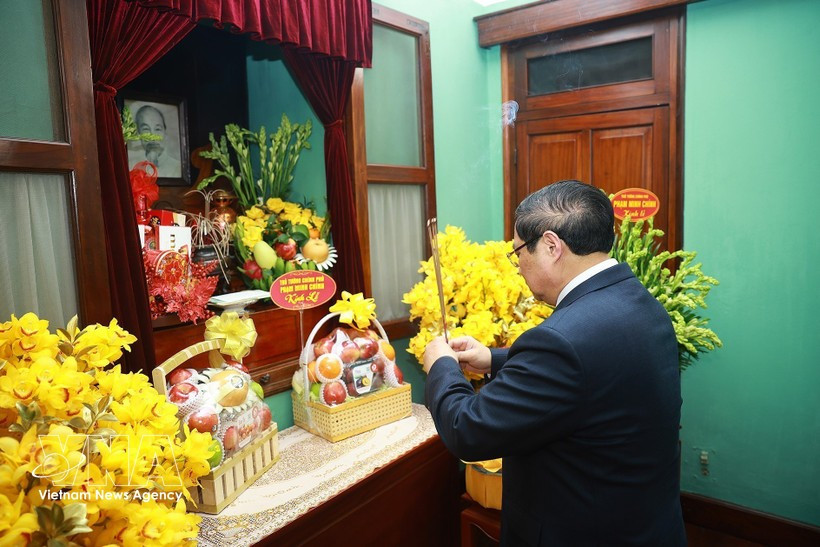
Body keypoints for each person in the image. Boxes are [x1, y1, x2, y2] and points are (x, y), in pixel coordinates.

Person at [423, 180, 685, 546]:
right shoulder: (637, 300)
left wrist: (442, 365)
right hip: (644, 523)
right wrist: (493, 360)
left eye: (518, 253)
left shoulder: (560, 341)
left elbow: (467, 430)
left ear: (550, 245)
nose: (517, 267)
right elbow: (594, 373)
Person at [129, 104, 181, 178]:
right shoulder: (131, 167)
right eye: (146, 129)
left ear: (165, 133)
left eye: (157, 129)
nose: (153, 136)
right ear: (138, 133)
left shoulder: (178, 168)